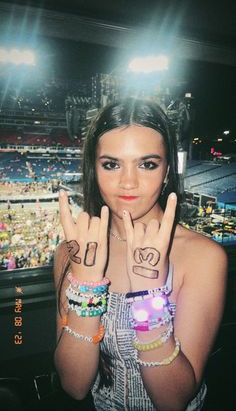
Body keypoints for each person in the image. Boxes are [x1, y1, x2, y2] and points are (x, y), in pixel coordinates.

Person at [54, 97, 227, 411]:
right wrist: (86, 286)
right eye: (111, 164)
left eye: (147, 163)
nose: (128, 182)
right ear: (93, 168)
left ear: (167, 171)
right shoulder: (72, 253)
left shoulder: (203, 257)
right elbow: (75, 386)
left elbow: (173, 401)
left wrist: (149, 297)